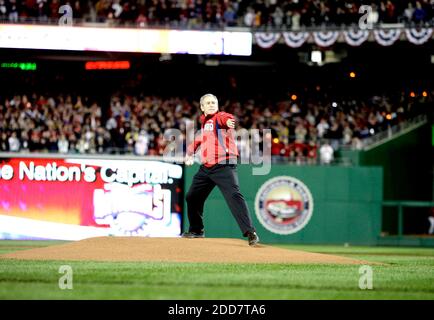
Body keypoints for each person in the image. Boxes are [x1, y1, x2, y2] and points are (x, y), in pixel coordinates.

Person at [183, 93, 259, 246]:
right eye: (208, 103)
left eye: (214, 102)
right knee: (192, 197)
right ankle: (197, 230)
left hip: (224, 165)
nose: (211, 104)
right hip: (206, 167)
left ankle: (251, 232)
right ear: (202, 107)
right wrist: (189, 154)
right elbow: (199, 139)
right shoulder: (205, 122)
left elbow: (227, 118)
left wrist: (230, 122)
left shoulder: (220, 117)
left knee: (234, 196)